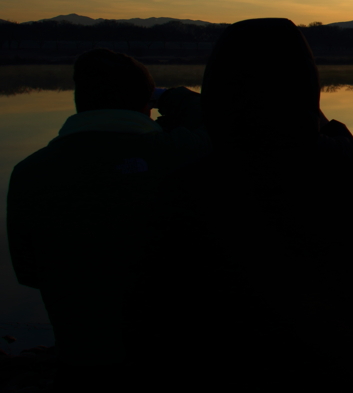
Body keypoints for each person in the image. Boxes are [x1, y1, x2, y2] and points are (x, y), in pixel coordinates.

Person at [126, 18, 353, 391]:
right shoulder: (344, 171)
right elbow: (338, 151)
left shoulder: (186, 186)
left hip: (225, 369)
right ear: (307, 84)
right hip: (328, 369)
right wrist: (302, 108)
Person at [5, 48, 207, 390]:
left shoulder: (29, 173)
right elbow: (214, 121)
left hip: (81, 363)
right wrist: (173, 98)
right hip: (174, 360)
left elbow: (28, 272)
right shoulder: (180, 154)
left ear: (78, 101)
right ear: (146, 102)